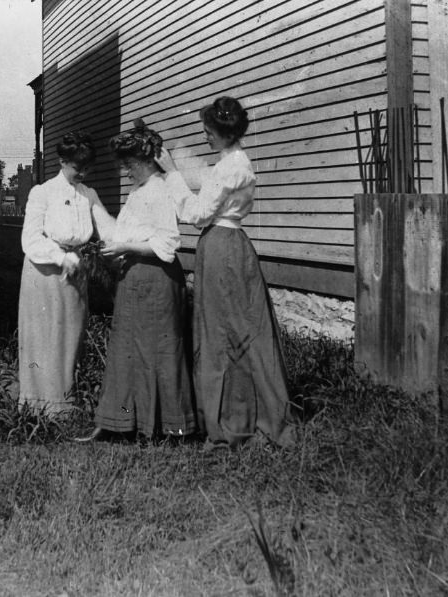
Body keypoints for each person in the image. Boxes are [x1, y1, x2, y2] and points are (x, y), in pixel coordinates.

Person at [155, 96, 295, 449]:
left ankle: (233, 420)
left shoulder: (231, 168)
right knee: (239, 330)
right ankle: (240, 412)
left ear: (221, 134)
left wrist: (171, 174)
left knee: (222, 334)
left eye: (208, 132)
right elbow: (207, 184)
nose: (205, 137)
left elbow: (199, 213)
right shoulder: (233, 162)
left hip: (221, 248)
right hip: (232, 246)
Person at [77, 120, 196, 441]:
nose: (125, 171)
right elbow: (123, 233)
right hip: (135, 279)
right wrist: (95, 207)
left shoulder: (158, 190)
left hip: (156, 279)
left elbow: (167, 245)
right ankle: (126, 424)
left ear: (145, 162)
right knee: (129, 349)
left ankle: (169, 427)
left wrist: (124, 246)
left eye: (129, 165)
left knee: (157, 351)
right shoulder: (139, 190)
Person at [18, 131, 115, 414]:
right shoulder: (43, 193)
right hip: (44, 272)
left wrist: (133, 241)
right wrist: (61, 257)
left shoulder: (89, 195)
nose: (82, 173)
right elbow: (31, 239)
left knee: (71, 335)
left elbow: (107, 227)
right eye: (77, 167)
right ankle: (38, 408)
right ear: (62, 161)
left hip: (74, 273)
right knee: (45, 337)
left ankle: (65, 403)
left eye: (87, 167)